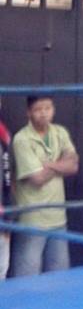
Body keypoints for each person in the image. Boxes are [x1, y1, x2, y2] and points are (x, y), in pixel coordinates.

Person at [9, 96, 78, 277]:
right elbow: (37, 178)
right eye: (38, 109)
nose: (44, 113)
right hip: (32, 219)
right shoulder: (22, 139)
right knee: (27, 278)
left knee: (59, 277)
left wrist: (49, 165)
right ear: (28, 112)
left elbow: (74, 166)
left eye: (48, 108)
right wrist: (61, 164)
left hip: (58, 217)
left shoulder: (60, 132)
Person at [0, 101, 11, 279]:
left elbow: (8, 176)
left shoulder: (4, 134)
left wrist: (9, 216)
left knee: (2, 271)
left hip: (2, 215)